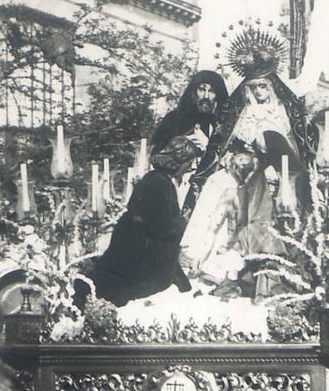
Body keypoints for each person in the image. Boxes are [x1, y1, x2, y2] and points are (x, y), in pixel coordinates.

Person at [88, 136, 200, 306]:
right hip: (142, 253)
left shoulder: (156, 178)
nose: (189, 168)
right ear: (178, 160)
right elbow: (160, 227)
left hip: (135, 243)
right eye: (188, 163)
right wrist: (182, 222)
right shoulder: (160, 183)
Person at [178, 144, 255, 295]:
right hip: (221, 240)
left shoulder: (254, 184)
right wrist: (197, 254)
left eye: (247, 164)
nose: (243, 166)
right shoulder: (222, 183)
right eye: (240, 161)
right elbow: (207, 221)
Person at [151, 69, 230, 211]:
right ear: (194, 92)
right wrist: (181, 146)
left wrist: (209, 148)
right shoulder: (173, 119)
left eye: (211, 91)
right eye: (202, 89)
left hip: (209, 189)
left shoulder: (222, 125)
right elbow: (156, 155)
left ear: (218, 95)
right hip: (177, 185)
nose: (206, 96)